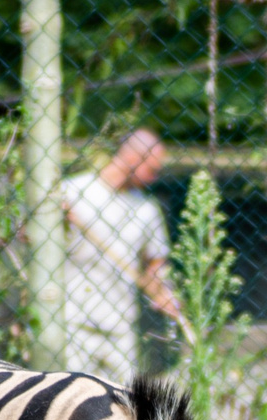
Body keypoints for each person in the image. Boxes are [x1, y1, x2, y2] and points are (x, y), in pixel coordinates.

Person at [60, 128, 181, 386]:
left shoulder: (146, 208)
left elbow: (155, 263)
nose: (155, 177)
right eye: (153, 168)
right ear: (133, 157)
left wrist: (164, 291)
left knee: (124, 404)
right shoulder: (72, 191)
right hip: (71, 320)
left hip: (120, 325)